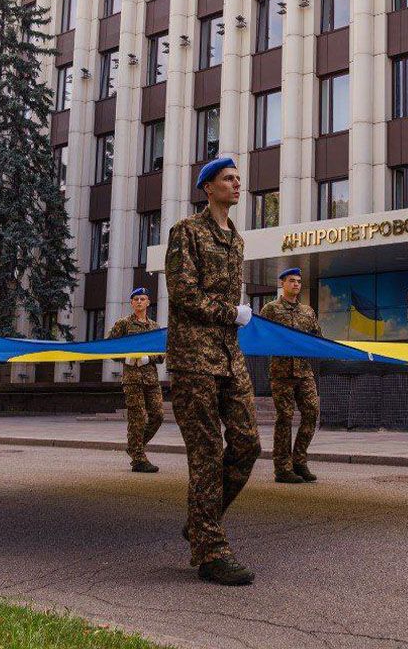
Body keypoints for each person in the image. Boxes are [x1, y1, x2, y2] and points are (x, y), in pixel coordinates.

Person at [164, 157, 261, 586]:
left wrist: (233, 318)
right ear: (208, 187)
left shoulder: (236, 239)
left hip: (229, 356)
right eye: (228, 179)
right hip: (194, 358)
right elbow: (182, 293)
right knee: (205, 453)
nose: (237, 184)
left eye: (238, 179)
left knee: (247, 444)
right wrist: (231, 313)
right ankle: (210, 550)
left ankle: (201, 519)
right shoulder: (186, 231)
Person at [260, 268, 323, 484]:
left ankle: (299, 461)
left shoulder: (308, 312)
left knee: (312, 413)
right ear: (282, 284)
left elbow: (317, 336)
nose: (296, 284)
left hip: (304, 371)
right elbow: (261, 335)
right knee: (285, 418)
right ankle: (282, 468)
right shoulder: (271, 309)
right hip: (281, 372)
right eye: (291, 281)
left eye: (298, 281)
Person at [107, 288, 165, 473]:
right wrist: (126, 358)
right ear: (132, 303)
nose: (139, 302)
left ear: (148, 302)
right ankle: (138, 459)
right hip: (132, 379)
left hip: (151, 379)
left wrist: (149, 358)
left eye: (143, 299)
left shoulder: (154, 327)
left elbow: (162, 354)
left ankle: (134, 446)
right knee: (137, 418)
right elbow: (108, 347)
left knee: (158, 416)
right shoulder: (123, 324)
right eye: (136, 299)